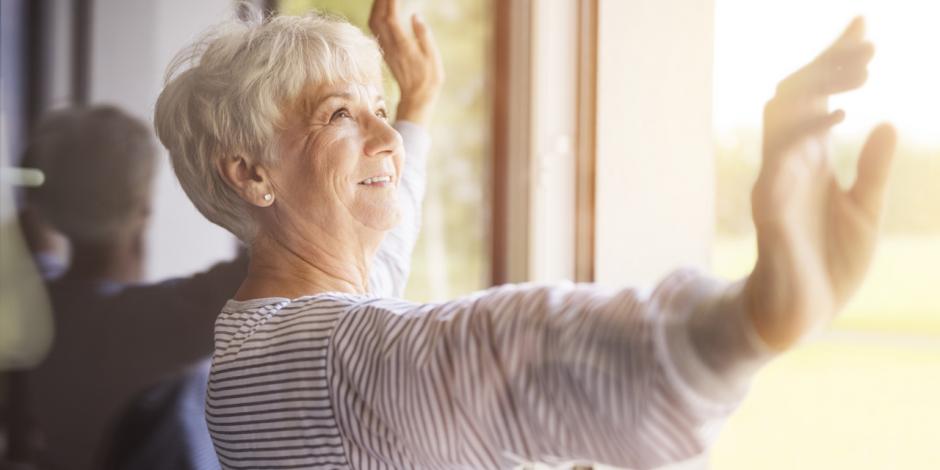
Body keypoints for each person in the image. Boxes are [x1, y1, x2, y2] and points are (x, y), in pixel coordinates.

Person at [153, 0, 896, 467]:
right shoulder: (325, 361)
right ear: (251, 174)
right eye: (340, 114)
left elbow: (386, 239)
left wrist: (417, 103)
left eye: (377, 106)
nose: (386, 135)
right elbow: (505, 354)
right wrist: (749, 322)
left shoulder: (261, 334)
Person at [21, 79, 431, 470]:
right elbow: (317, 247)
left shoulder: (41, 310)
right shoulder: (165, 322)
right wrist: (411, 114)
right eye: (339, 115)